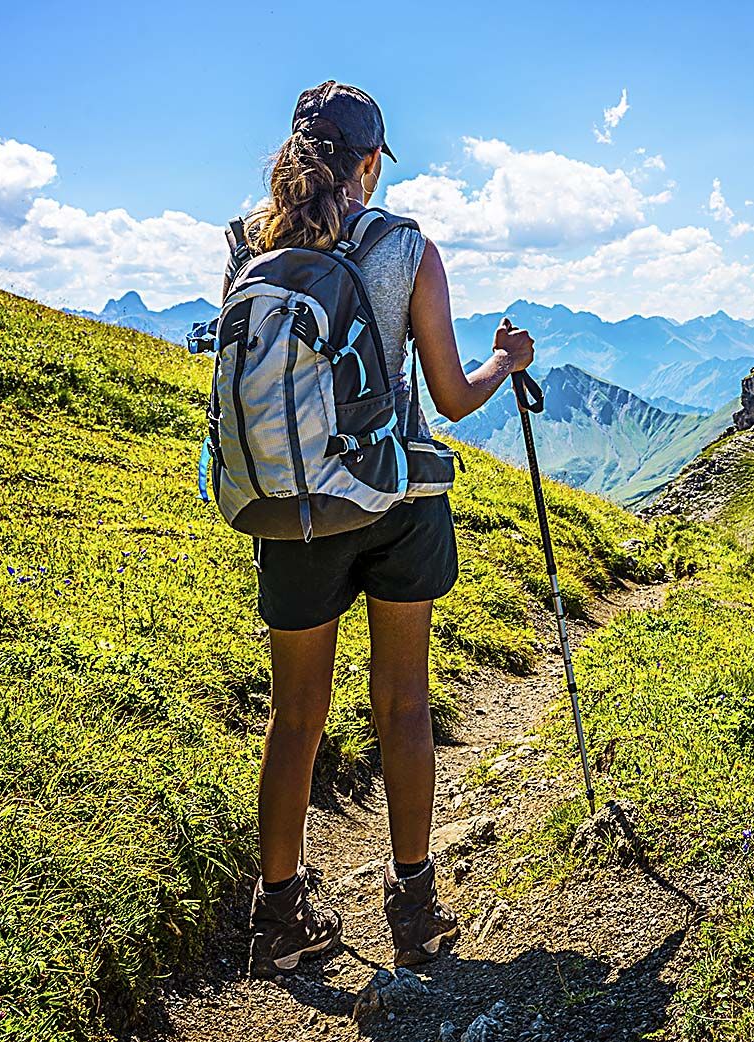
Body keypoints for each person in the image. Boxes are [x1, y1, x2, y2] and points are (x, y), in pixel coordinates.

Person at [236, 81, 534, 976]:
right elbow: (450, 396)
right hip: (397, 501)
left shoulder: (250, 248)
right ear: (371, 162)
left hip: (292, 507)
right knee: (402, 700)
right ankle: (414, 907)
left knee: (296, 715)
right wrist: (504, 361)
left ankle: (279, 917)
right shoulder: (408, 248)